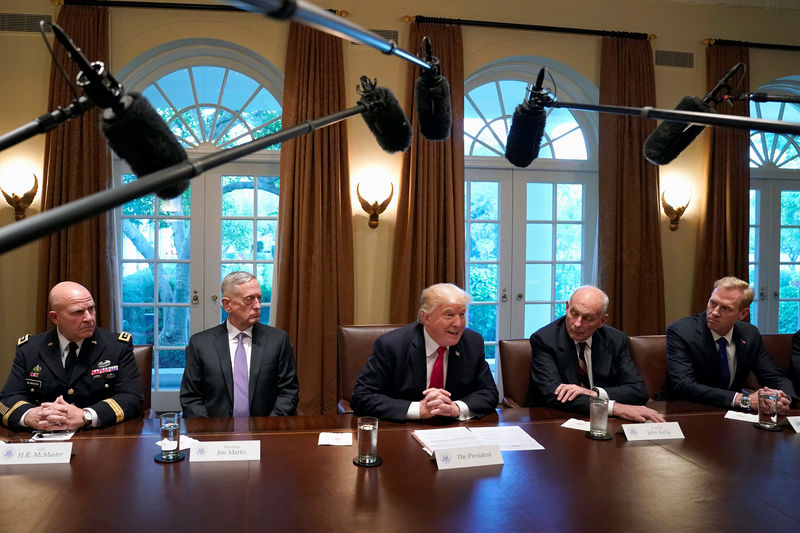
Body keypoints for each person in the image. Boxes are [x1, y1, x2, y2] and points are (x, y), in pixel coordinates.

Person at [0, 281, 142, 431]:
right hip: (44, 439)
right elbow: (6, 400)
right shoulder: (30, 349)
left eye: (91, 308)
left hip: (98, 437)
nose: (89, 318)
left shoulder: (117, 347)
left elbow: (132, 398)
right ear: (55, 318)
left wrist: (86, 416)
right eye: (78, 312)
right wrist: (30, 416)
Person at [351, 283, 498, 422]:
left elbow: (489, 393)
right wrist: (418, 410)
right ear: (427, 318)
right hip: (402, 432)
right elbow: (362, 397)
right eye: (449, 315)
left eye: (462, 314)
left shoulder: (472, 343)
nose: (458, 323)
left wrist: (457, 408)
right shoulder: (392, 345)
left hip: (454, 432)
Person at [529, 286, 665, 422]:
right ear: (567, 307)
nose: (577, 323)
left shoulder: (616, 340)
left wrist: (595, 393)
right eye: (574, 313)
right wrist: (615, 408)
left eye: (587, 318)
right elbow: (553, 394)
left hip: (605, 424)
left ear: (602, 321)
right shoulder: (545, 340)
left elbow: (638, 391)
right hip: (559, 421)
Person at [665, 276, 795, 412]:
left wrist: (783, 399)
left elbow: (773, 376)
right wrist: (743, 399)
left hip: (733, 413)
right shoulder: (681, 331)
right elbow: (683, 385)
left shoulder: (750, 334)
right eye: (713, 303)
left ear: (743, 314)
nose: (714, 312)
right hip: (689, 409)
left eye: (725, 308)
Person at [180, 271, 299, 417]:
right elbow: (191, 398)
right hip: (215, 432)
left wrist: (268, 427)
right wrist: (209, 432)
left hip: (265, 430)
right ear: (227, 304)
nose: (257, 306)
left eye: (259, 298)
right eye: (249, 299)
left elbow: (288, 392)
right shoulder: (201, 344)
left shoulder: (278, 340)